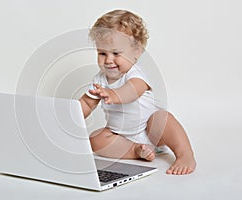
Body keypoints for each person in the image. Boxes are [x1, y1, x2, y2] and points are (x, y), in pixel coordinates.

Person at [79, 9, 196, 175]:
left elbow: (132, 91)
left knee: (163, 118)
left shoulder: (135, 74)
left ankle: (185, 154)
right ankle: (136, 151)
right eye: (102, 53)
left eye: (116, 53)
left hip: (153, 131)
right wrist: (70, 114)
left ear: (136, 52)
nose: (108, 60)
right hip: (120, 137)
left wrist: (113, 95)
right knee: (95, 139)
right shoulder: (99, 79)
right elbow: (86, 103)